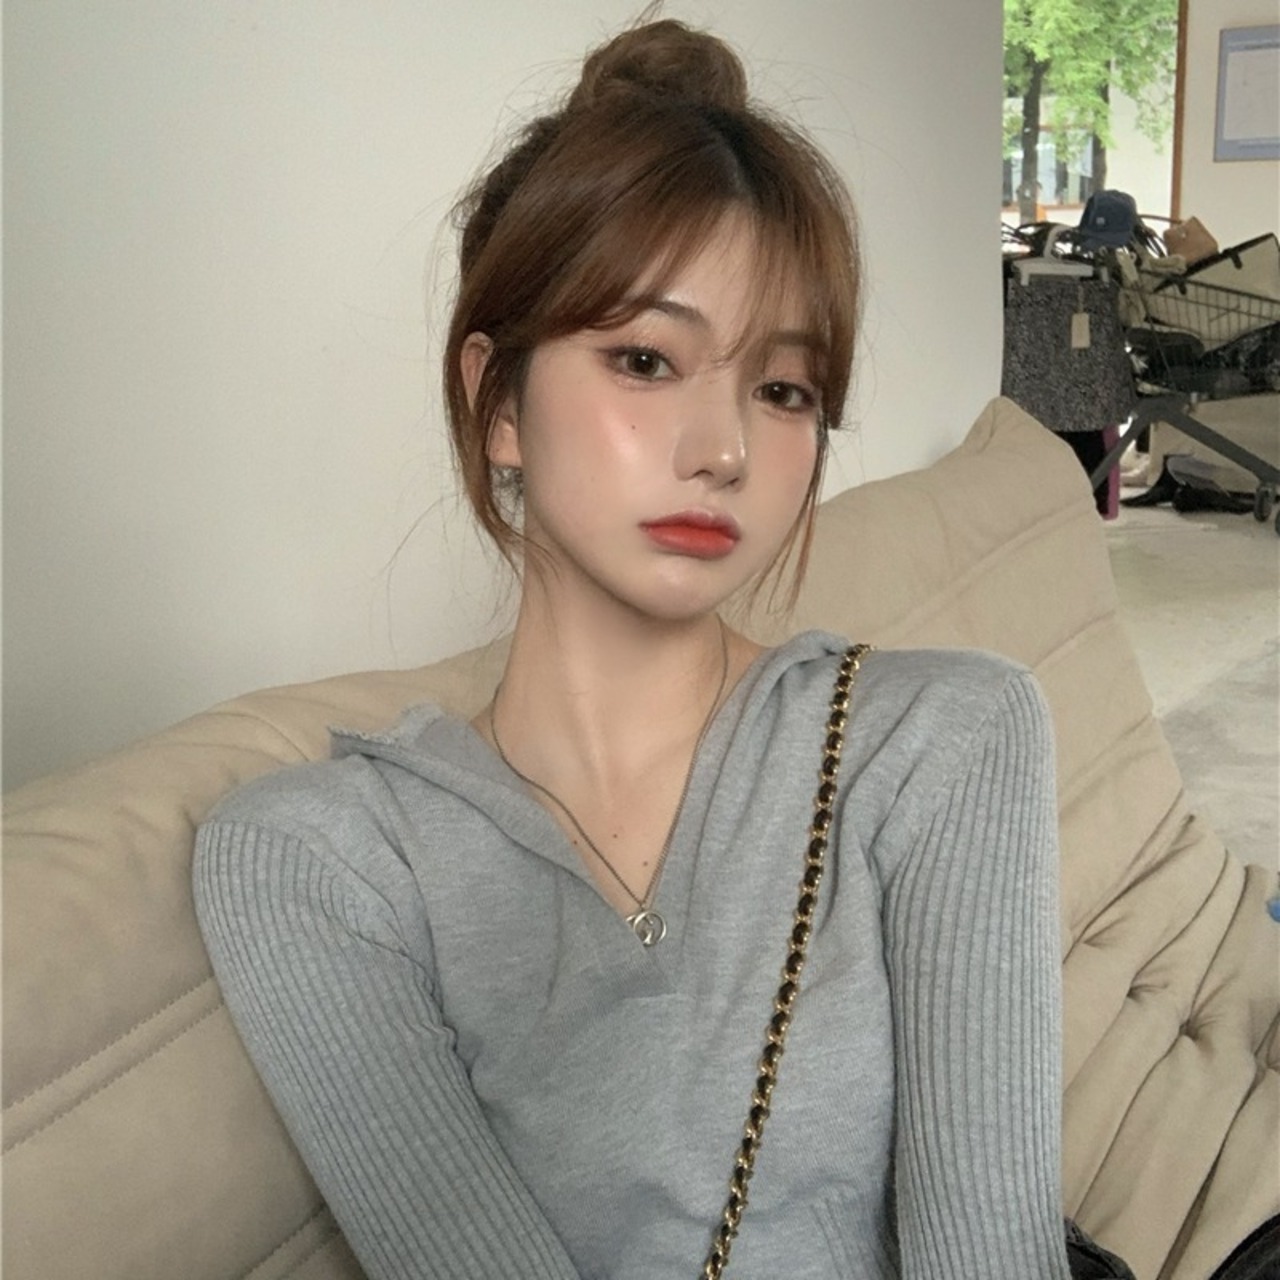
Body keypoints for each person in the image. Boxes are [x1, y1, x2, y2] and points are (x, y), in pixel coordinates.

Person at [194, 18, 1073, 1279]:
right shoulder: (322, 859)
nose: (722, 448)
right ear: (496, 402)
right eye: (645, 359)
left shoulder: (937, 740)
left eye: (782, 389)